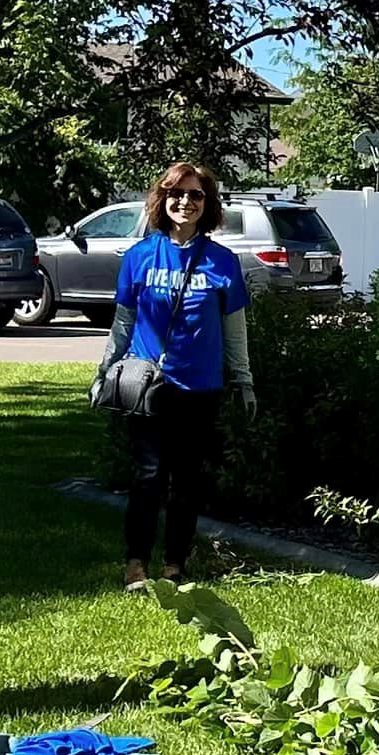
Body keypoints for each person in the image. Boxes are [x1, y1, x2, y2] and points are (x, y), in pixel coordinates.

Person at [91, 162, 256, 592]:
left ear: (208, 203)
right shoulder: (139, 257)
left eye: (196, 195)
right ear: (162, 200)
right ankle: (135, 565)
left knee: (186, 481)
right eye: (177, 194)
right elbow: (123, 324)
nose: (185, 201)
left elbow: (234, 330)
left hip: (200, 387)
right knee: (148, 475)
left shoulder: (223, 263)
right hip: (148, 386)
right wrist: (104, 371)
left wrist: (244, 380)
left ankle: (175, 566)